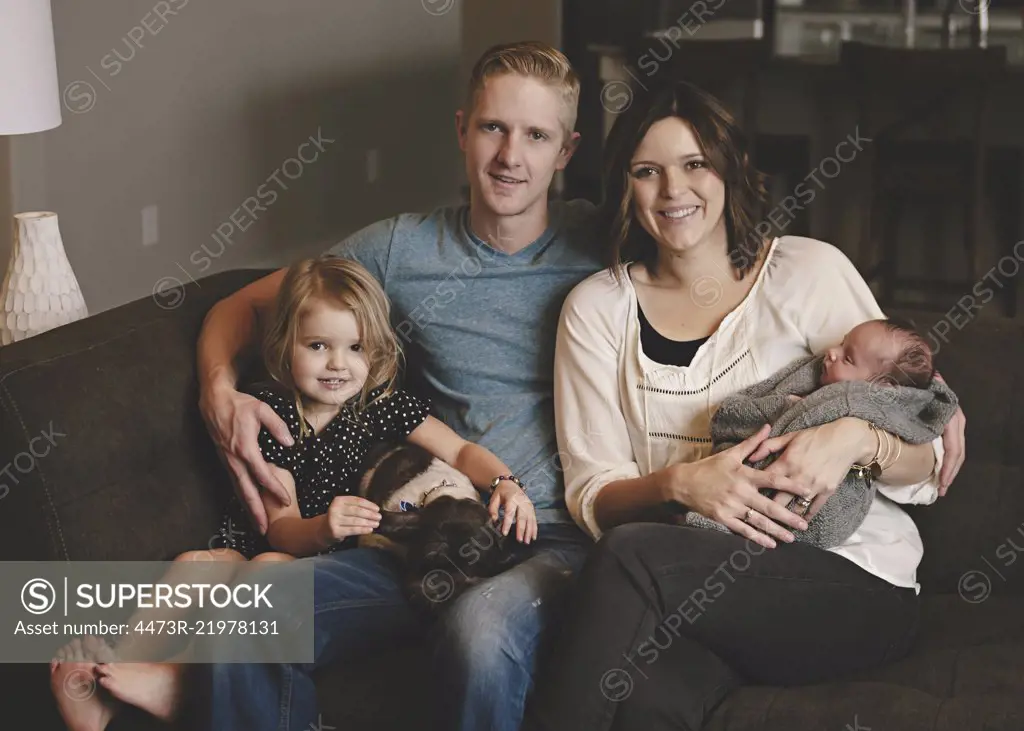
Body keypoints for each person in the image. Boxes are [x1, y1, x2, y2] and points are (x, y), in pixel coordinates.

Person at [522, 81, 966, 731]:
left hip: (852, 583)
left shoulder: (808, 273)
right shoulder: (596, 310)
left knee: (626, 555)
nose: (674, 191)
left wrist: (853, 438)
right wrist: (679, 484)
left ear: (729, 170)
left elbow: (929, 462)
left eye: (695, 164)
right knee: (642, 696)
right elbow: (595, 495)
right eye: (648, 172)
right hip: (707, 587)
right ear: (624, 187)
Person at [189, 42, 602, 731]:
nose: (510, 155)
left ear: (566, 151)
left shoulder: (601, 241)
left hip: (553, 539)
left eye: (537, 135)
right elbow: (238, 307)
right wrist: (219, 393)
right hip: (421, 531)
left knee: (478, 635)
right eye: (494, 127)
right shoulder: (400, 250)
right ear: (462, 129)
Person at [48, 257, 536, 731]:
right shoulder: (271, 413)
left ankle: (176, 681)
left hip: (317, 559)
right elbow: (282, 528)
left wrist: (504, 482)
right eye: (318, 345)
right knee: (202, 564)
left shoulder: (383, 405)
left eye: (356, 348)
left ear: (378, 352)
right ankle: (107, 679)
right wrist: (323, 526)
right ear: (285, 344)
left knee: (266, 577)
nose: (338, 365)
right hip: (284, 538)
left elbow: (462, 449)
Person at [685, 317, 959, 547]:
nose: (831, 352)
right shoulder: (813, 376)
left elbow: (923, 448)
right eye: (841, 342)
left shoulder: (869, 403)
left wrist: (812, 418)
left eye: (847, 357)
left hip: (824, 512)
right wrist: (784, 406)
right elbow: (739, 414)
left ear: (883, 387)